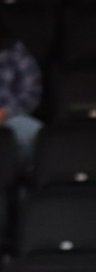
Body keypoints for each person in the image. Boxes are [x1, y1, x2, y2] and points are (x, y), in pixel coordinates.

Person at [0, 16, 42, 168]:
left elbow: (31, 93)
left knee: (35, 133)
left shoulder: (14, 51)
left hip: (8, 117)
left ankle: (26, 185)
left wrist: (5, 113)